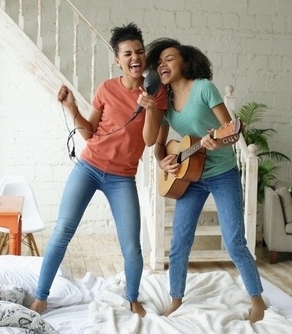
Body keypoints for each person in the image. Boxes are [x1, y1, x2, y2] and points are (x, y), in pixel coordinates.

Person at [30, 23, 167, 318]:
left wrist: (151, 108)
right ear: (117, 60)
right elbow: (91, 133)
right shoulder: (106, 88)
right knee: (62, 231)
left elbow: (149, 140)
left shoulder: (155, 93)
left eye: (140, 52)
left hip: (122, 178)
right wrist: (71, 107)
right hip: (89, 167)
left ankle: (132, 298)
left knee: (132, 246)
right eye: (128, 53)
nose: (135, 57)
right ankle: (41, 297)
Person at [146, 37, 267, 322]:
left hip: (222, 174)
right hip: (190, 177)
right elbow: (159, 145)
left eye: (170, 58)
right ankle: (176, 298)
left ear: (185, 62)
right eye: (160, 61)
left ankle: (258, 301)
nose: (163, 64)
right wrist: (162, 160)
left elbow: (233, 131)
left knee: (235, 240)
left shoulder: (203, 88)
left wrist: (219, 142)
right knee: (179, 241)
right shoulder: (164, 103)